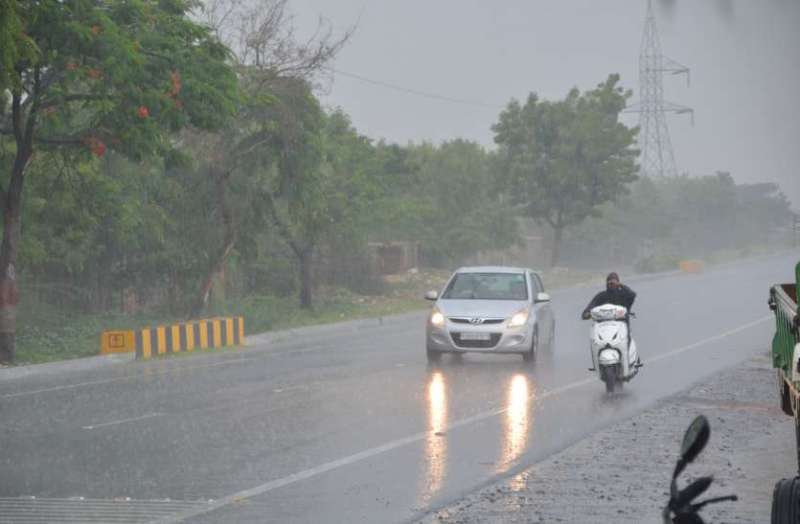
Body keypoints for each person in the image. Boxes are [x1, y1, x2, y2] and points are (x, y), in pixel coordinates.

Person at [582, 272, 641, 369]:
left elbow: (633, 295)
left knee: (626, 341)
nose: (611, 285)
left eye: (614, 283)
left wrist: (621, 286)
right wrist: (587, 313)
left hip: (622, 327)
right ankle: (597, 365)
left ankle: (628, 364)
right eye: (609, 283)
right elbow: (589, 308)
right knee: (594, 340)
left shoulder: (624, 295)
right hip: (603, 328)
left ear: (618, 283)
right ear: (606, 284)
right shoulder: (601, 296)